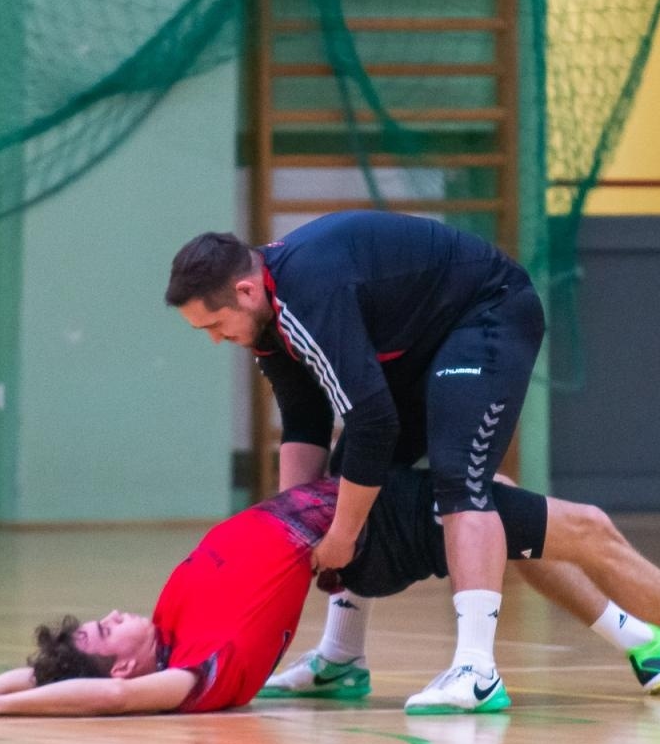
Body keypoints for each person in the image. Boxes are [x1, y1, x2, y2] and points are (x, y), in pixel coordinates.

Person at [0, 470, 660, 718]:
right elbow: (105, 697)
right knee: (583, 524)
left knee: (505, 528)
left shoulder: (170, 616)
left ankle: (639, 642)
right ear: (121, 660)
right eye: (102, 630)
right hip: (378, 522)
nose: (109, 615)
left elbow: (54, 674)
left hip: (365, 513)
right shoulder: (198, 668)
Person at [166, 210, 545, 713]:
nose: (215, 338)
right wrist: (297, 526)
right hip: (422, 341)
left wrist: (341, 537)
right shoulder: (267, 320)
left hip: (487, 310)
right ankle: (342, 658)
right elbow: (304, 419)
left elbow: (372, 423)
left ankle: (477, 670)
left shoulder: (307, 297)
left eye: (215, 324)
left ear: (245, 292)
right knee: (350, 481)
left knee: (459, 476)